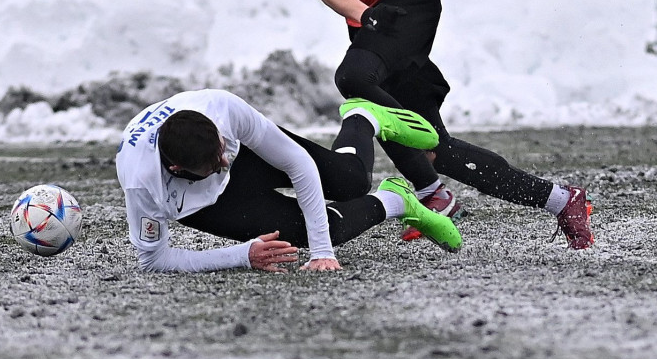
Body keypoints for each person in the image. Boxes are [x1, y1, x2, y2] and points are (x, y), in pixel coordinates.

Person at [254, 0, 595, 249]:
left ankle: (429, 182)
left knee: (355, 78)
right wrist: (365, 15)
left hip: (411, 1)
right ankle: (555, 199)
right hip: (369, 19)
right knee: (438, 146)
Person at [115, 89, 463, 273]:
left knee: (351, 181)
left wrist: (322, 253)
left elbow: (299, 164)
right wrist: (243, 254)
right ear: (178, 170)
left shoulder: (222, 109)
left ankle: (362, 116)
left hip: (242, 156)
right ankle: (396, 200)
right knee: (325, 229)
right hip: (205, 204)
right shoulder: (143, 184)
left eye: (223, 150)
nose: (224, 162)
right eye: (215, 164)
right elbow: (154, 261)